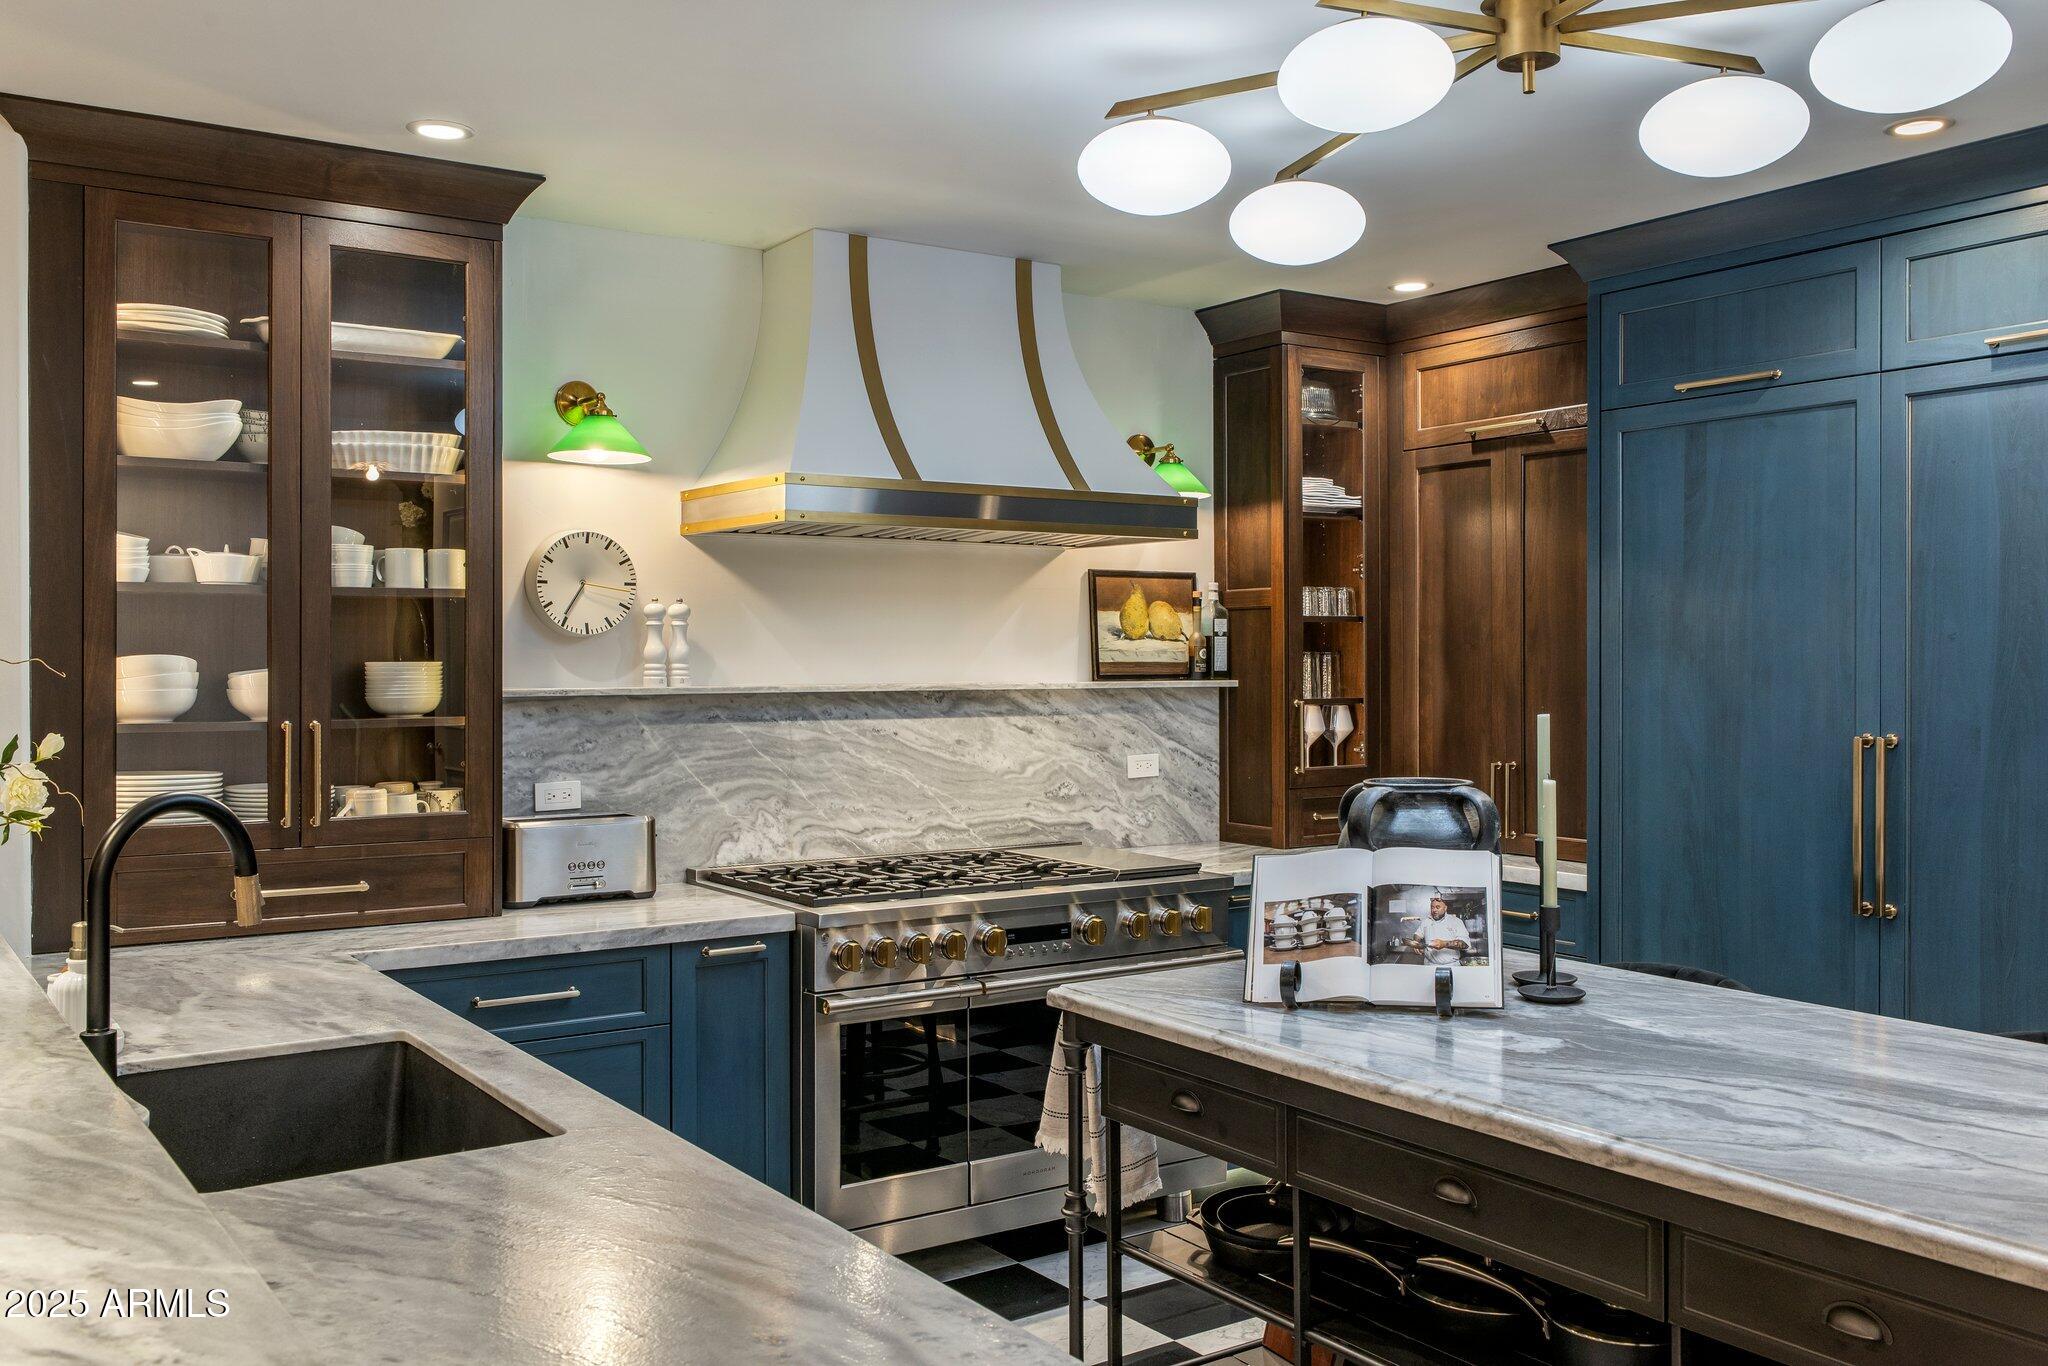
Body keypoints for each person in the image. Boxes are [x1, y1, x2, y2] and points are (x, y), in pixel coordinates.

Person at [1421, 894, 1471, 967]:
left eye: (1438, 907)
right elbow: (1418, 935)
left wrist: (1444, 944)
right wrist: (1416, 943)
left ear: (1445, 908)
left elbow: (1465, 944)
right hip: (1429, 964)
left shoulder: (1456, 921)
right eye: (1432, 907)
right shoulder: (1426, 921)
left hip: (1451, 965)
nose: (1434, 910)